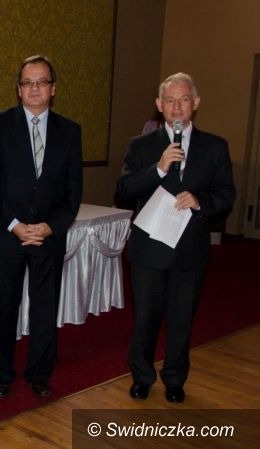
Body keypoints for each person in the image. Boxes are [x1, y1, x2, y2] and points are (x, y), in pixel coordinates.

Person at [117, 72, 235, 403]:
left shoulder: (215, 146)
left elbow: (226, 194)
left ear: (195, 103)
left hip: (189, 250)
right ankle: (142, 376)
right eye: (170, 100)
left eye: (184, 99)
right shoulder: (141, 146)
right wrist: (157, 169)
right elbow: (124, 189)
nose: (177, 107)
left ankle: (174, 378)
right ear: (159, 105)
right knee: (145, 320)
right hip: (149, 250)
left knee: (182, 320)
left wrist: (200, 201)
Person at [0, 55, 83, 399]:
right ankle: (1, 373)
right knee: (3, 307)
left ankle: (40, 373)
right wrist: (15, 225)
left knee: (44, 308)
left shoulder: (70, 131)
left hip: (48, 236)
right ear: (19, 89)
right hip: (6, 233)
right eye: (28, 82)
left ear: (53, 89)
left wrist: (50, 227)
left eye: (42, 82)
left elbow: (73, 192)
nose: (34, 88)